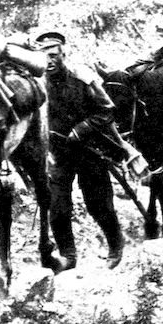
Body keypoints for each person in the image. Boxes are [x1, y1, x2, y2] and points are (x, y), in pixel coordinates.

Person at [38, 31, 125, 271]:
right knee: (57, 208)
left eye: (53, 55)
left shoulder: (82, 77)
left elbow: (107, 110)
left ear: (63, 55)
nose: (49, 61)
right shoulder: (38, 84)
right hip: (58, 154)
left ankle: (116, 245)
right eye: (44, 56)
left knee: (99, 204)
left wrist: (81, 130)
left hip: (89, 151)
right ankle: (68, 256)